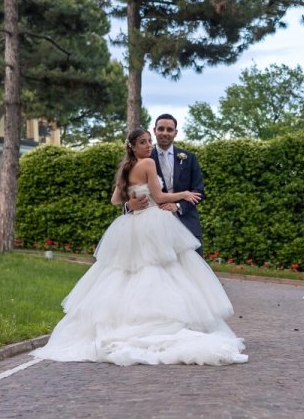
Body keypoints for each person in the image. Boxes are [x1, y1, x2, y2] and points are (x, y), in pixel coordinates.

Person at [30, 128, 247, 366]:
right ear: (133, 146)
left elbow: (115, 199)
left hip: (131, 224)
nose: (148, 146)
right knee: (160, 268)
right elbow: (160, 197)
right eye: (144, 142)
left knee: (127, 271)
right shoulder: (147, 164)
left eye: (149, 142)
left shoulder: (126, 167)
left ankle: (127, 320)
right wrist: (184, 194)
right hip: (152, 221)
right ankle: (160, 319)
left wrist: (131, 202)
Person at [127, 114, 205, 255]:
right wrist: (128, 206)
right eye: (161, 129)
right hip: (152, 229)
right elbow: (126, 190)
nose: (164, 133)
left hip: (187, 224)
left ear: (175, 132)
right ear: (154, 130)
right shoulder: (143, 159)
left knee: (193, 273)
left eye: (169, 129)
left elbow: (199, 192)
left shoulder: (189, 158)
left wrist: (177, 206)